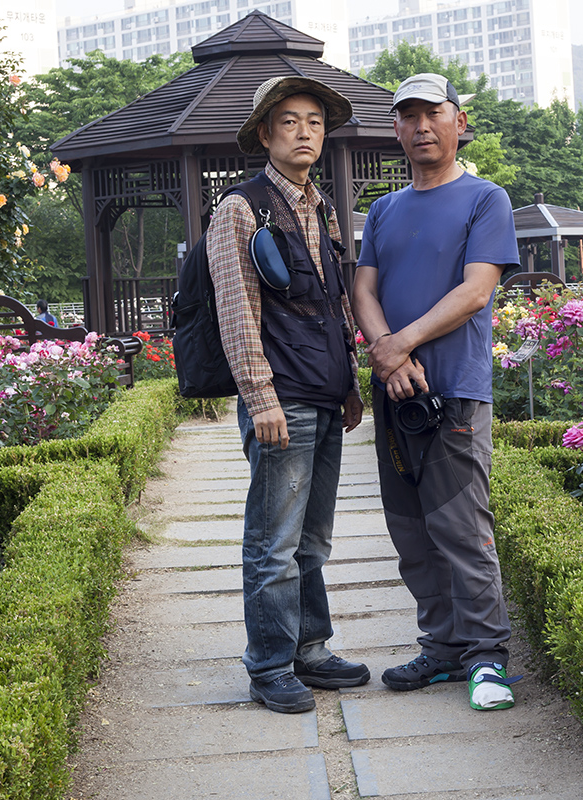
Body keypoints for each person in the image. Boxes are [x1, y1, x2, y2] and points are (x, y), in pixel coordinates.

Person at [352, 73, 522, 711]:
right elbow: (363, 290)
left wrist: (399, 344)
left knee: (460, 525)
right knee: (410, 529)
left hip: (454, 390)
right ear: (395, 128)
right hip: (395, 393)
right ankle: (443, 647)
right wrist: (386, 352)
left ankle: (486, 657)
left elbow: (476, 290)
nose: (422, 126)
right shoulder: (384, 210)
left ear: (459, 121)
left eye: (434, 113)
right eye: (409, 116)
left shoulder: (486, 199)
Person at [207, 75, 369, 714]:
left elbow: (335, 303)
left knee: (312, 540)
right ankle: (270, 665)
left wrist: (350, 384)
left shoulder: (322, 207)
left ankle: (310, 650)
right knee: (273, 544)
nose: (305, 132)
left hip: (325, 397)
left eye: (315, 122)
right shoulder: (240, 208)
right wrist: (260, 398)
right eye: (290, 121)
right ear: (265, 134)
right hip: (282, 399)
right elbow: (237, 312)